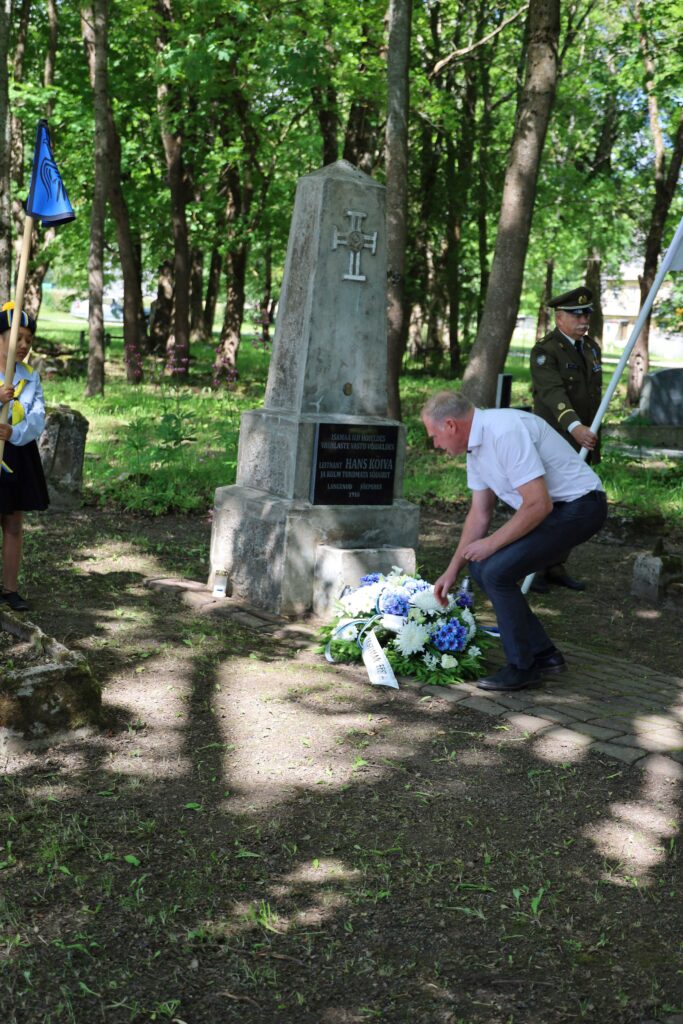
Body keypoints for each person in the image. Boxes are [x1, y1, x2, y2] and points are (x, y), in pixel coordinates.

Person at [422, 390, 607, 692]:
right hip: (555, 510)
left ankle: (523, 667)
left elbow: (538, 504)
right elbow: (479, 515)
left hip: (582, 507)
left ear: (451, 425)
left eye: (434, 435)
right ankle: (545, 655)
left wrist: (491, 544)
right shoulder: (476, 446)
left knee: (496, 570)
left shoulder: (503, 431)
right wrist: (452, 570)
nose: (435, 443)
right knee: (482, 569)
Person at [529, 286, 603, 592]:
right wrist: (575, 427)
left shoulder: (590, 348)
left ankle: (556, 564)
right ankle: (531, 567)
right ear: (559, 318)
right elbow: (553, 394)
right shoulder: (546, 351)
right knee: (547, 505)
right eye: (576, 314)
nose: (584, 319)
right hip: (556, 438)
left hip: (583, 440)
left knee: (575, 506)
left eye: (586, 313)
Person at [0, 301, 49, 611]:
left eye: (29, 340)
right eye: (17, 337)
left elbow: (37, 416)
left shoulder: (30, 377)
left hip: (17, 453)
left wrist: (14, 433)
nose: (23, 345)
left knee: (14, 522)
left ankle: (10, 588)